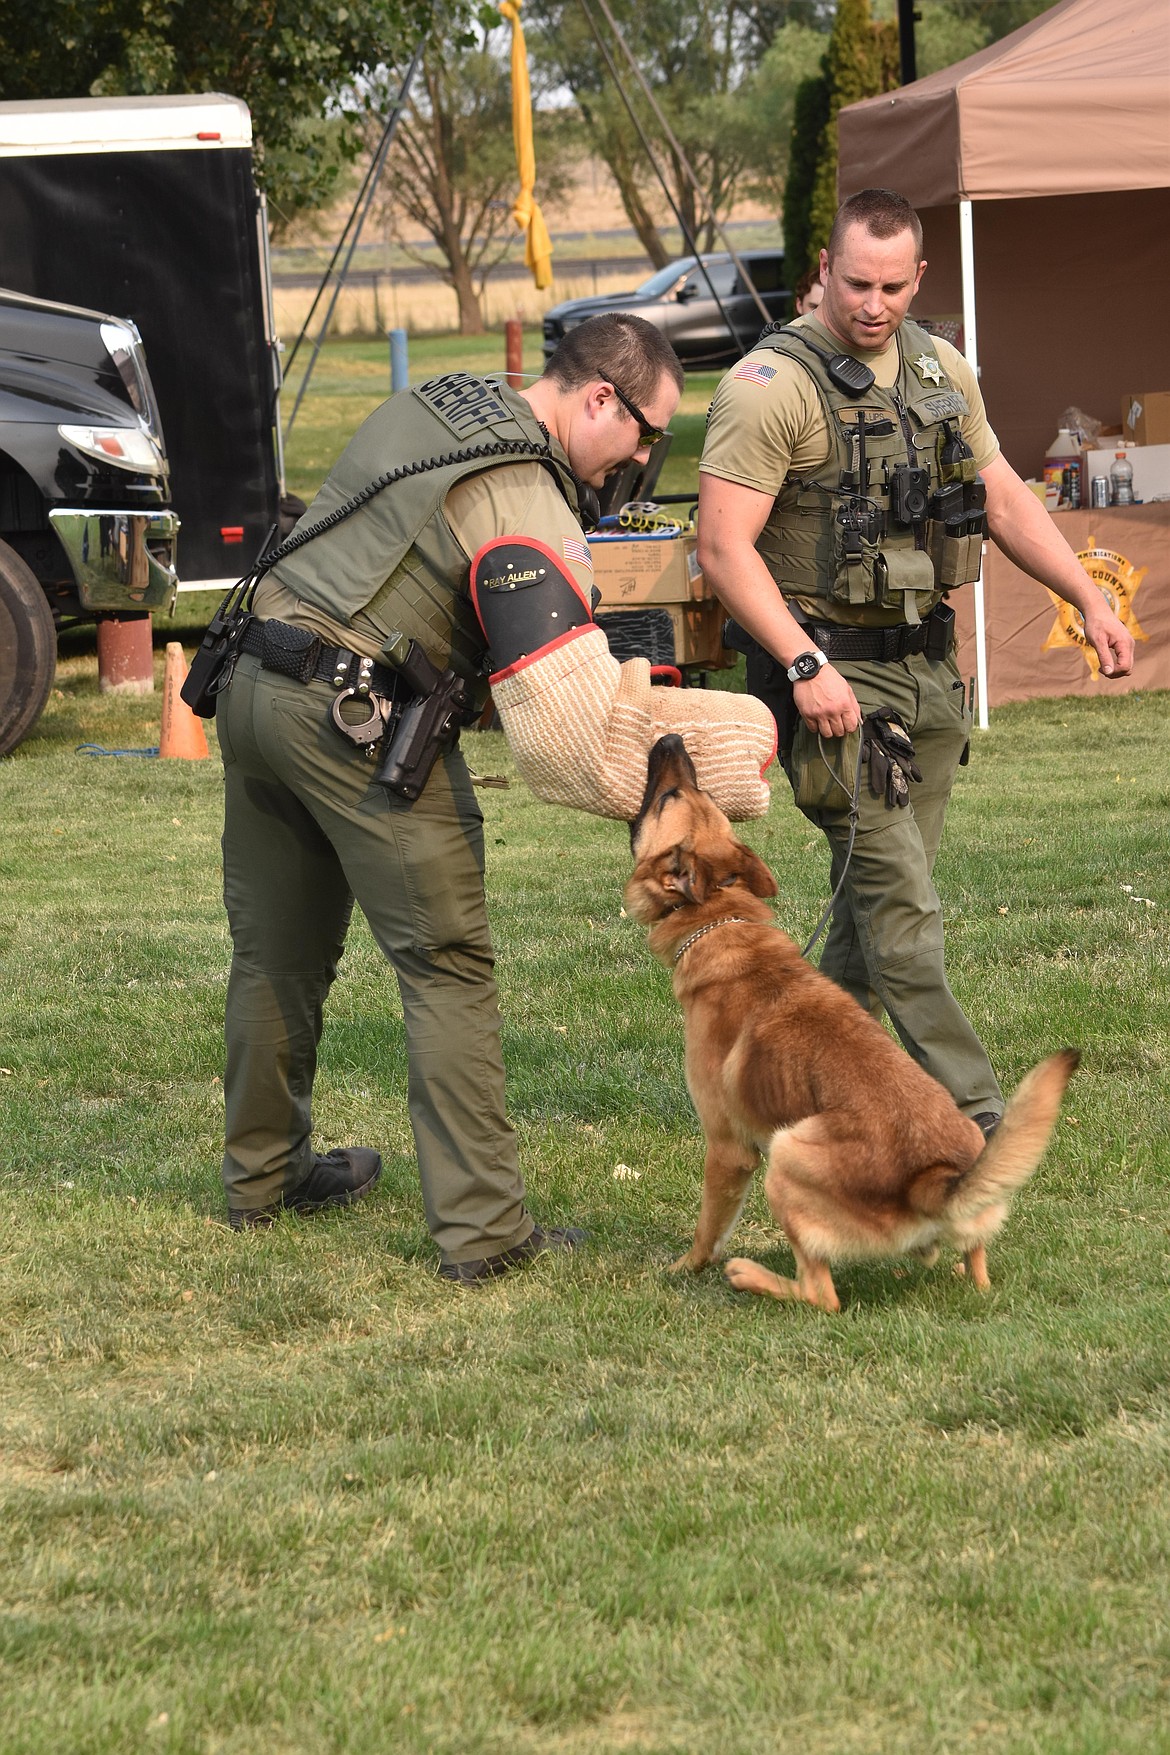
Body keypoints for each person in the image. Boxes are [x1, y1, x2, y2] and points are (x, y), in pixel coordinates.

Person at [213, 312, 775, 1280]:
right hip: (354, 716)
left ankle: (261, 1180)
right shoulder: (528, 502)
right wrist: (730, 760)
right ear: (600, 397)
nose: (642, 458)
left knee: (277, 954)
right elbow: (564, 742)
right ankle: (482, 1234)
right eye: (645, 434)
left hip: (250, 688)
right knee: (446, 964)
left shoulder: (440, 402)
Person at [697, 188, 1134, 1132]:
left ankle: (804, 1093)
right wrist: (805, 666)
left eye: (894, 286)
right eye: (856, 282)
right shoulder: (769, 387)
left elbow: (1006, 498)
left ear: (920, 278)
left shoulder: (940, 369)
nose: (873, 304)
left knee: (871, 911)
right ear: (824, 268)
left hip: (928, 676)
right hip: (832, 680)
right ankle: (976, 1127)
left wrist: (1086, 595)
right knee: (903, 918)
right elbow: (724, 549)